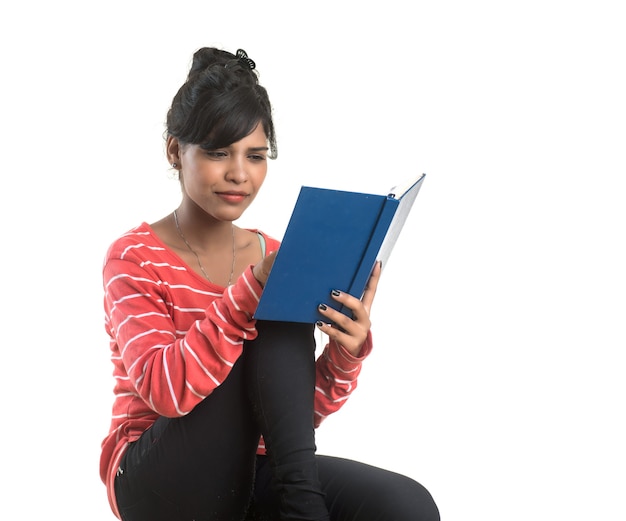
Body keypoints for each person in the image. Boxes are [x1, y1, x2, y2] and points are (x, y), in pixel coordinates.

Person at [99, 47, 439, 521]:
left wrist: (346, 349)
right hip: (159, 476)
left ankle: (303, 507)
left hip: (252, 468)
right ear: (176, 150)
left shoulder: (270, 253)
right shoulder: (134, 256)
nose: (239, 173)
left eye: (255, 156)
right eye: (219, 153)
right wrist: (250, 290)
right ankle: (304, 508)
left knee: (406, 506)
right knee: (275, 300)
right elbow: (165, 392)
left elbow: (294, 421)